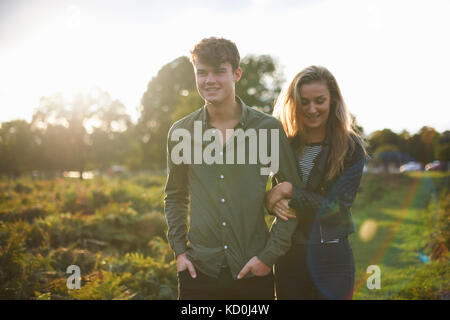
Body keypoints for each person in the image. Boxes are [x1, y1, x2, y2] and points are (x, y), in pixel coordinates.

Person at [164, 37, 302, 300]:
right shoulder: (181, 132)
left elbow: (293, 196)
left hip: (253, 271)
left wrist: (268, 256)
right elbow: (175, 196)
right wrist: (180, 253)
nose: (209, 80)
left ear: (236, 74)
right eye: (202, 72)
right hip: (198, 272)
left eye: (219, 71)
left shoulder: (267, 129)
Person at [266, 65, 367, 300]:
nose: (312, 109)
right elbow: (276, 195)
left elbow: (337, 208)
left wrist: (291, 191)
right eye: (304, 101)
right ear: (294, 103)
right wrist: (269, 201)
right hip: (288, 255)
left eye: (319, 100)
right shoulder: (285, 145)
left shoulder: (350, 147)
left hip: (331, 256)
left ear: (332, 100)